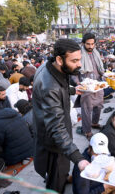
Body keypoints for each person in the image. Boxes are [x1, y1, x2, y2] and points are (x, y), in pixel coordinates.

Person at [32, 39, 89, 192]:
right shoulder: (50, 87)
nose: (79, 64)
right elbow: (57, 129)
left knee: (62, 170)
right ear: (59, 59)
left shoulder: (50, 66)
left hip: (58, 134)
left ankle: (63, 177)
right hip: (55, 141)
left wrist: (71, 90)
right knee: (56, 175)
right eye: (75, 61)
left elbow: (59, 85)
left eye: (80, 59)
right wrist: (79, 159)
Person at [79, 33, 105, 140]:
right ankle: (87, 131)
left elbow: (100, 67)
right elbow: (75, 71)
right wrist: (79, 83)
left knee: (98, 105)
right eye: (88, 44)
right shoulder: (79, 54)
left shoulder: (96, 52)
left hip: (98, 83)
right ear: (83, 43)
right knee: (86, 108)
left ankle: (94, 123)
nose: (90, 46)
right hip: (86, 84)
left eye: (92, 44)